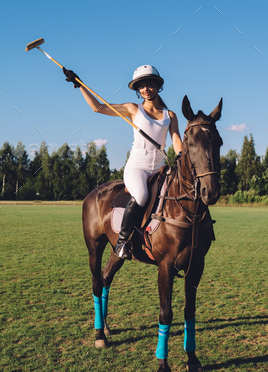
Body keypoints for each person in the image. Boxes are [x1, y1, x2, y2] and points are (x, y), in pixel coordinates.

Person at [63, 65, 182, 260]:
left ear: (158, 86)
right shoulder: (132, 109)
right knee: (142, 195)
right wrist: (80, 85)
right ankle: (122, 242)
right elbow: (98, 107)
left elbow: (176, 139)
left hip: (160, 169)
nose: (146, 89)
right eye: (141, 86)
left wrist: (181, 156)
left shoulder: (170, 115)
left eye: (150, 84)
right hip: (138, 168)